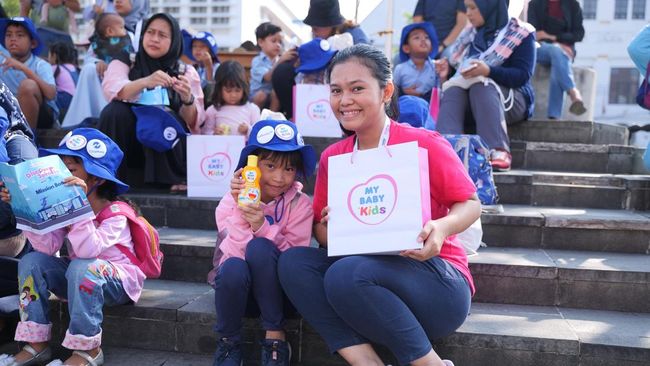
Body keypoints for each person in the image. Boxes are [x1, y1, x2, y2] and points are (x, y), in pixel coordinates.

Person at [277, 44, 480, 366]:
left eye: (357, 88)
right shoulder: (334, 157)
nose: (345, 101)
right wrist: (330, 227)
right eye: (336, 91)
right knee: (294, 263)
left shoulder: (423, 143)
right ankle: (365, 361)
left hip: (433, 283)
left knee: (347, 272)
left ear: (386, 91)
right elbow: (323, 235)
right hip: (362, 284)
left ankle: (429, 363)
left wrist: (441, 229)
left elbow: (469, 203)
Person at [0, 128, 144, 366]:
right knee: (31, 261)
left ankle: (89, 349)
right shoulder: (65, 204)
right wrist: (22, 208)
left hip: (118, 282)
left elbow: (89, 252)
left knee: (82, 266)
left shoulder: (117, 213)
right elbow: (47, 248)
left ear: (96, 179)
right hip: (80, 275)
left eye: (72, 169)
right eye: (62, 168)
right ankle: (35, 343)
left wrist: (79, 210)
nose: (63, 175)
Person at [209, 119, 316, 366]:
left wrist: (262, 226)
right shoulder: (229, 201)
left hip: (280, 294)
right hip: (239, 293)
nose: (279, 178)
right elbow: (232, 255)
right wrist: (241, 207)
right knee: (234, 266)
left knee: (260, 248)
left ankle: (275, 336)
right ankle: (228, 342)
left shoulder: (300, 204)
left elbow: (295, 258)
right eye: (270, 166)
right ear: (252, 167)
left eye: (289, 169)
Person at [98, 13, 204, 192]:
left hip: (166, 148)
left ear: (174, 41)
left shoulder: (185, 71)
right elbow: (112, 90)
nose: (154, 39)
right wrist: (146, 81)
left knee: (160, 115)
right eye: (150, 32)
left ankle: (165, 181)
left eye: (162, 35)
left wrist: (188, 99)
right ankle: (110, 177)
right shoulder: (127, 60)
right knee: (113, 111)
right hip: (130, 142)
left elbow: (194, 121)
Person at [435, 0, 536, 172]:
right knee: (453, 89)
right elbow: (460, 75)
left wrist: (488, 71)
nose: (468, 13)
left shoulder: (520, 33)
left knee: (481, 85)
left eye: (473, 8)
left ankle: (497, 150)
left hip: (510, 102)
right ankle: (446, 151)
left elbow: (522, 76)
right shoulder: (469, 36)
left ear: (490, 6)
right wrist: (447, 74)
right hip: (472, 103)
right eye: (467, 7)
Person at [272, 0, 368, 119]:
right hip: (314, 79)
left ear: (331, 25)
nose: (313, 31)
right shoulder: (319, 36)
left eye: (316, 28)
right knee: (283, 72)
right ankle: (296, 116)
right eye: (312, 27)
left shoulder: (354, 34)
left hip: (343, 80)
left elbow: (366, 60)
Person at [528, 0, 586, 118]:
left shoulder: (573, 5)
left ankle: (554, 117)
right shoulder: (534, 4)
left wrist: (552, 37)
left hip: (566, 51)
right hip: (540, 49)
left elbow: (579, 34)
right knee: (556, 51)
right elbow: (535, 34)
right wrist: (558, 44)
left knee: (558, 62)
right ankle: (573, 92)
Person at [0, 17, 58, 130]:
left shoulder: (40, 65)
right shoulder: (2, 63)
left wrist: (22, 68)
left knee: (28, 86)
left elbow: (51, 94)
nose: (13, 39)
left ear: (33, 43)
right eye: (8, 35)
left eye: (20, 35)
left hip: (42, 116)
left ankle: (28, 139)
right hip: (10, 113)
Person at [201, 60, 260, 137]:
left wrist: (248, 129)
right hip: (221, 148)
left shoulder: (252, 109)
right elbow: (205, 133)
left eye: (237, 91)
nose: (233, 95)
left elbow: (259, 133)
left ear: (244, 88)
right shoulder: (213, 110)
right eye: (228, 91)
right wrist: (214, 134)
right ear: (219, 89)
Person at [249, 22, 297, 110]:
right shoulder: (257, 61)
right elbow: (268, 77)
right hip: (256, 97)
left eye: (280, 42)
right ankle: (254, 118)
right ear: (260, 42)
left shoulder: (280, 59)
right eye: (273, 41)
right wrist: (280, 61)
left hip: (273, 95)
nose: (278, 45)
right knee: (261, 95)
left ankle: (271, 118)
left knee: (276, 93)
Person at [394, 22, 439, 101]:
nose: (423, 39)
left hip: (429, 107)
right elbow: (393, 92)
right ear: (406, 48)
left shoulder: (436, 67)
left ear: (431, 47)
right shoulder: (400, 69)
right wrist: (403, 92)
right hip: (406, 106)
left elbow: (440, 91)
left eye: (427, 37)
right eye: (417, 37)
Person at [48, 41, 78, 122]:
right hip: (77, 101)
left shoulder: (54, 68)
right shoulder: (74, 68)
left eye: (49, 55)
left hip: (65, 101)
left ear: (54, 56)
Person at [190, 31, 220, 102]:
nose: (197, 49)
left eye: (202, 46)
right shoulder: (194, 68)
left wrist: (209, 67)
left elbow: (211, 94)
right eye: (194, 46)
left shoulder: (218, 67)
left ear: (211, 50)